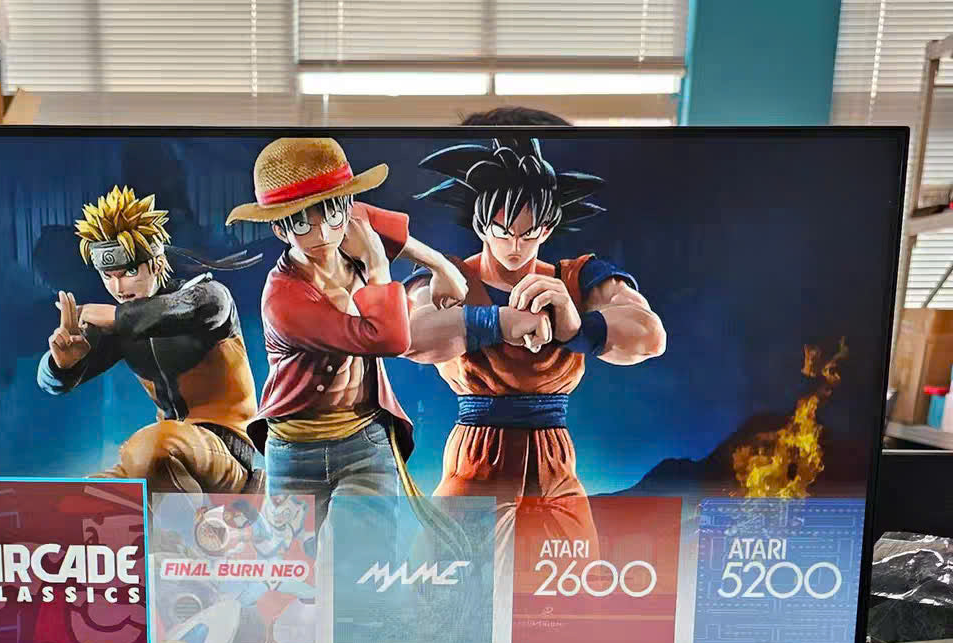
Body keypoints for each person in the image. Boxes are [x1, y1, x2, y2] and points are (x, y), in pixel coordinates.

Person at [226, 136, 530, 534]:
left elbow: (391, 232)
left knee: (367, 561)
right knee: (293, 566)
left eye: (332, 211)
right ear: (280, 229)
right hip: (296, 448)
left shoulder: (347, 221)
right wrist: (375, 265)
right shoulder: (283, 299)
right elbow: (386, 339)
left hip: (364, 438)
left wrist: (442, 268)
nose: (322, 231)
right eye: (301, 221)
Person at [404, 135, 666, 557]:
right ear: (480, 225)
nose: (515, 246)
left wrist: (577, 327)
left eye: (528, 233)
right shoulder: (449, 276)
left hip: (554, 467)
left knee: (570, 588)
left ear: (546, 228)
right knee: (439, 585)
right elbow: (409, 336)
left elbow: (650, 336)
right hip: (474, 463)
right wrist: (496, 322)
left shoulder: (578, 278)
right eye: (503, 231)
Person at [38, 185, 259, 495]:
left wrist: (114, 317)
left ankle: (214, 516)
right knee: (85, 496)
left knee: (153, 446)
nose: (119, 287)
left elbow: (165, 313)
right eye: (108, 275)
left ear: (156, 263)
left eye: (129, 271)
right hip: (166, 455)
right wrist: (61, 365)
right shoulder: (121, 324)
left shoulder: (209, 297)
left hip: (226, 450)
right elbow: (53, 383)